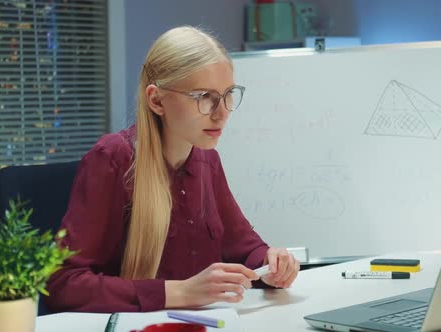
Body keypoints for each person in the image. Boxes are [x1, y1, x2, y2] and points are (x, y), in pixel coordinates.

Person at [44, 26, 300, 313]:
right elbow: (61, 284)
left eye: (228, 94)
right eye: (204, 97)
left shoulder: (207, 159)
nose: (222, 113)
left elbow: (244, 249)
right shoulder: (112, 159)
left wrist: (272, 262)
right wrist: (179, 292)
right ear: (156, 100)